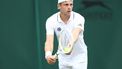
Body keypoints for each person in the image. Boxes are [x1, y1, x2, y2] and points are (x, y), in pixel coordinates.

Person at [44, 0, 88, 69]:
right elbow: (49, 40)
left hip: (79, 58)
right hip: (63, 59)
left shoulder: (79, 18)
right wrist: (48, 55)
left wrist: (69, 46)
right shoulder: (51, 20)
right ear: (59, 6)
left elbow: (75, 33)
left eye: (71, 4)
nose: (69, 7)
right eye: (66, 5)